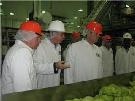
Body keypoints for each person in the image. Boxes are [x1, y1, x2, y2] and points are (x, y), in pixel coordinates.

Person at [2, 21, 43, 94]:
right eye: (38, 38)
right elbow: (23, 90)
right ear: (30, 37)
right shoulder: (22, 53)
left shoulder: (18, 49)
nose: (40, 41)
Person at [33, 20, 69, 89]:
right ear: (52, 34)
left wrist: (59, 66)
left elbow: (56, 64)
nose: (64, 37)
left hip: (55, 84)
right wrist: (54, 66)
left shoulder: (59, 47)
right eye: (62, 34)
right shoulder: (40, 46)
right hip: (42, 86)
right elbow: (35, 67)